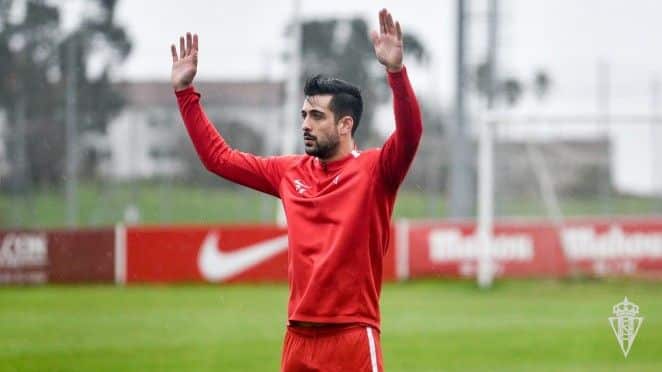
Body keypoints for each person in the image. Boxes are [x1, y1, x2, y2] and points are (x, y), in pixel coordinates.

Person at [170, 8, 422, 372]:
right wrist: (184, 93)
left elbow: (411, 133)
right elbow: (218, 159)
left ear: (345, 124)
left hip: (352, 335)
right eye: (304, 115)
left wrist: (396, 73)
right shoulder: (288, 172)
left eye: (317, 116)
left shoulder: (375, 171)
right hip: (298, 339)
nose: (306, 124)